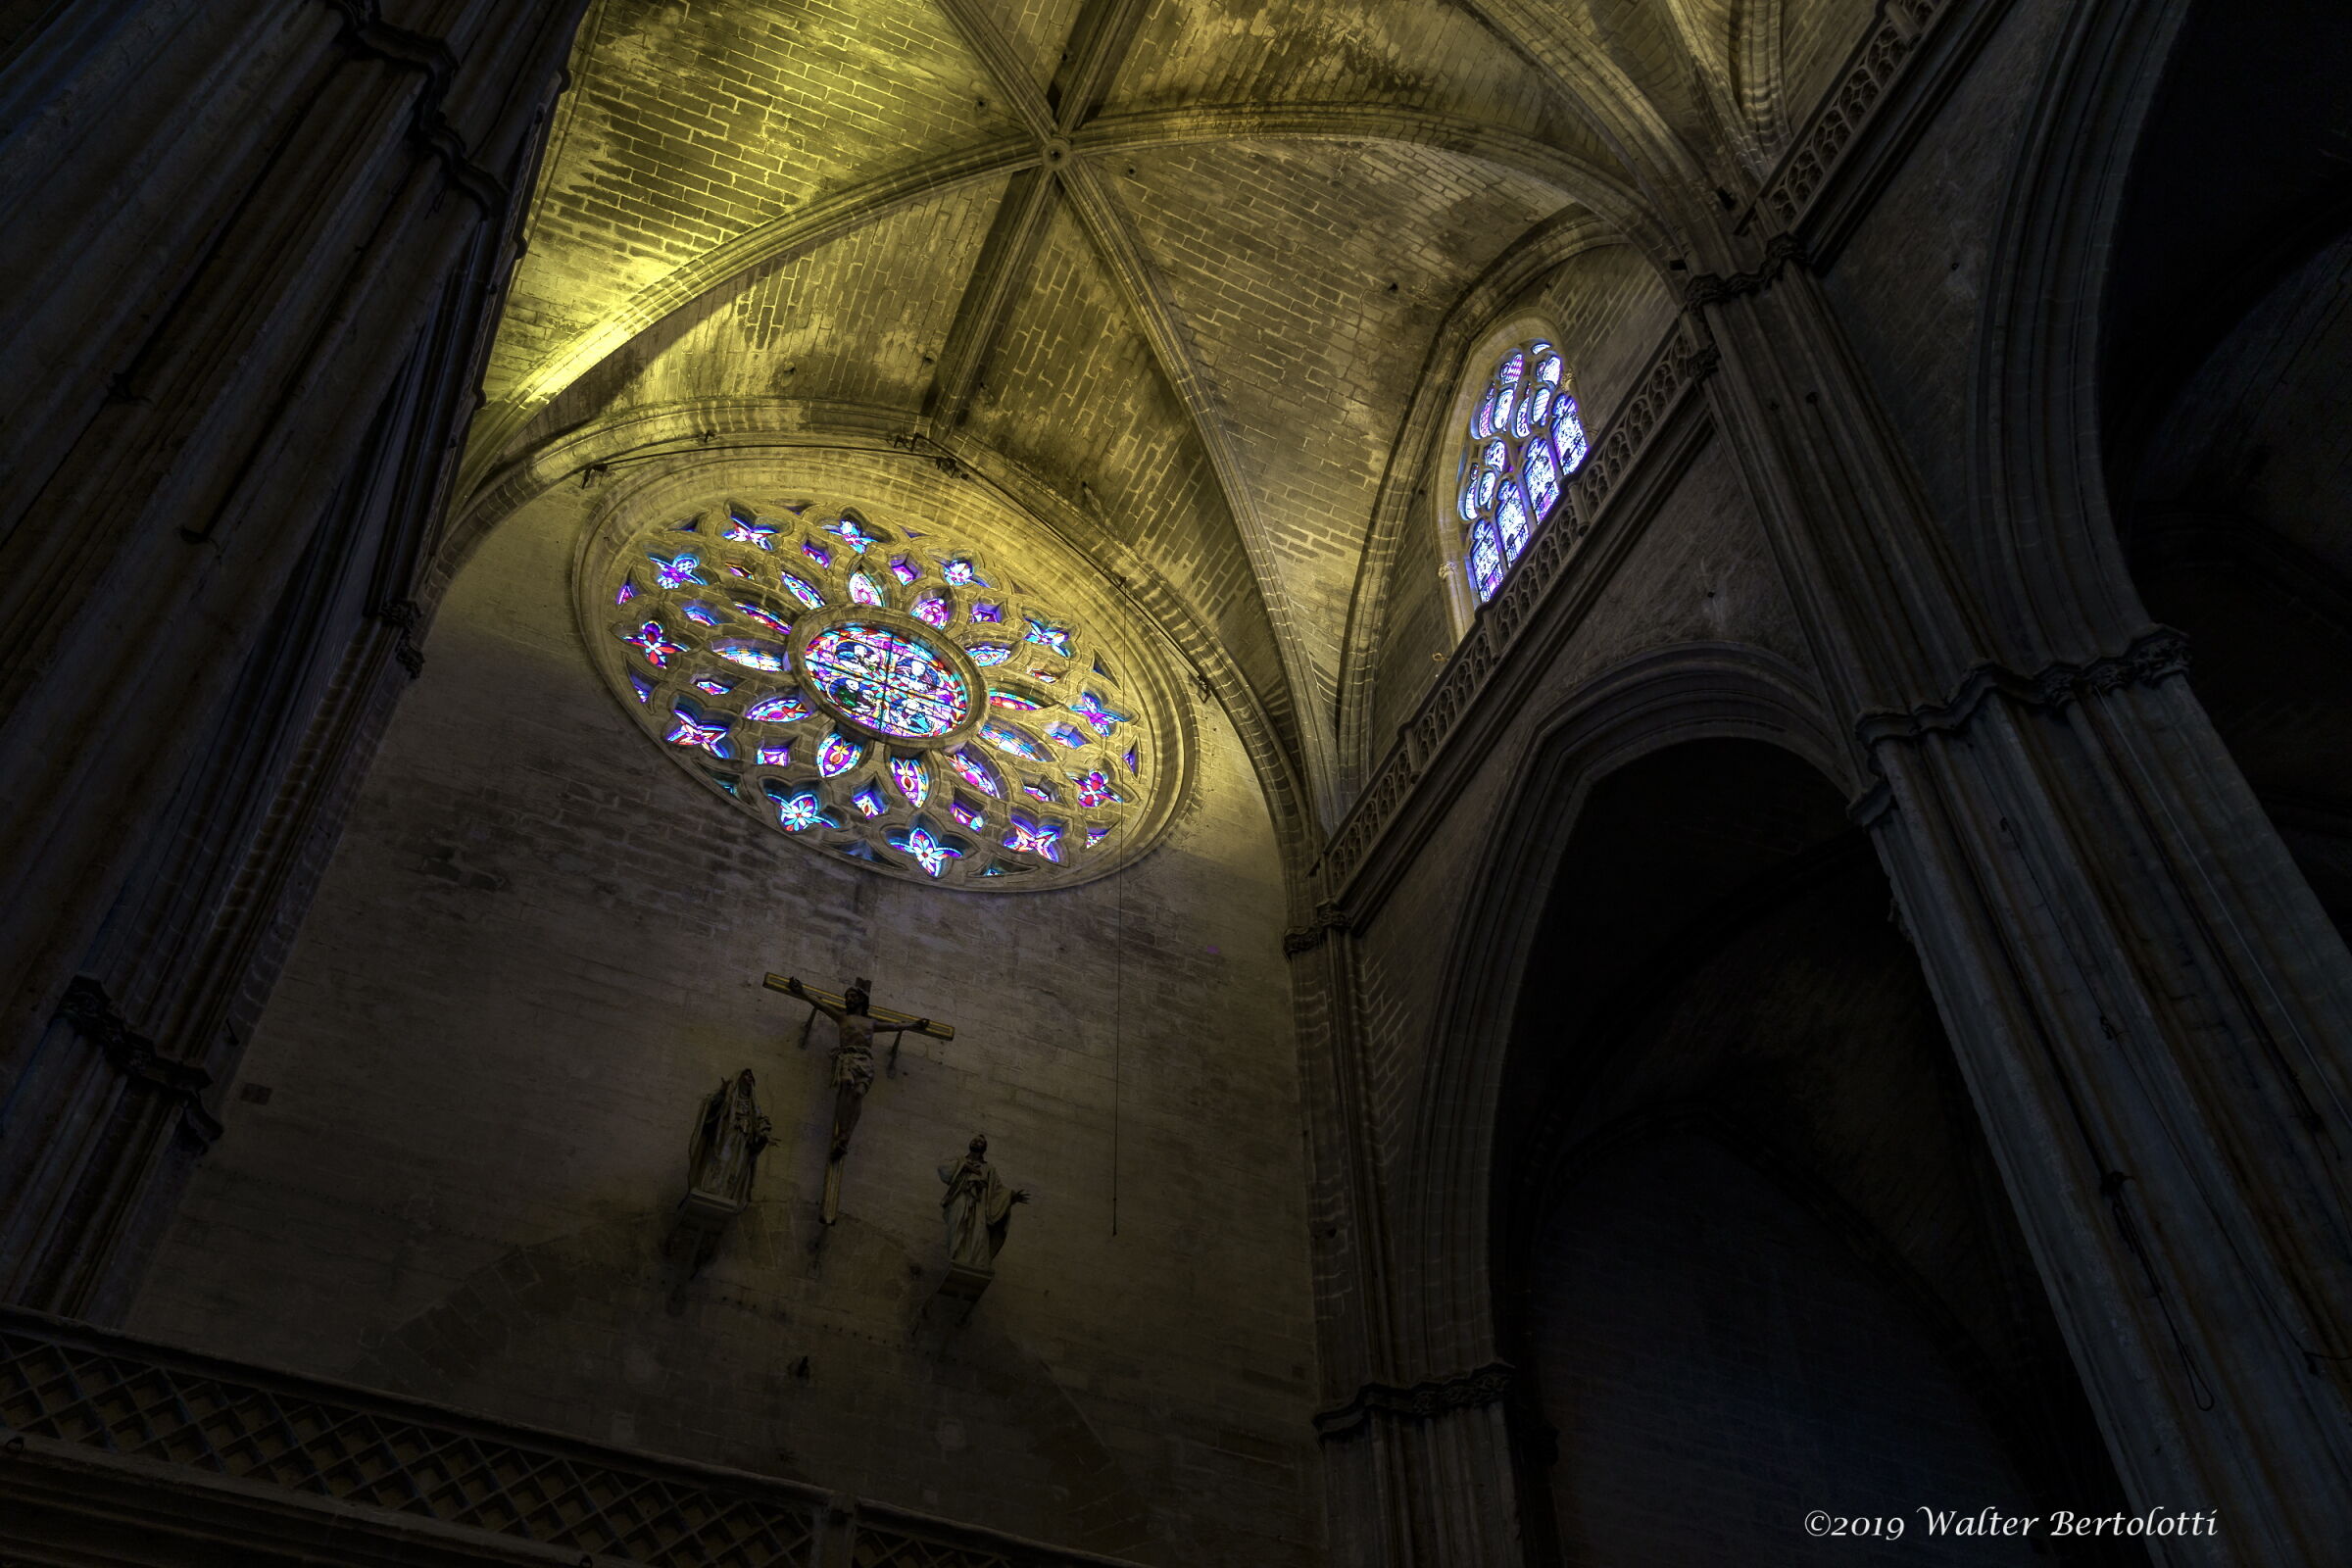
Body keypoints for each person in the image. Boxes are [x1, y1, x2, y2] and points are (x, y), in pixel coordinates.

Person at [785, 976, 928, 1159]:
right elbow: (821, 1006)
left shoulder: (871, 1023)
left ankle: (845, 1136)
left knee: (859, 1093)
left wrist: (915, 1024)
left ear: (861, 1000)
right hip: (847, 1057)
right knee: (846, 1083)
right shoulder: (842, 1017)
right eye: (847, 996)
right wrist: (802, 992)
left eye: (852, 996)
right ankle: (842, 1131)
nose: (848, 1000)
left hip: (865, 1061)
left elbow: (894, 1026)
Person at [938, 1133, 1029, 1270]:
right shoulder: (959, 1160)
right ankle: (956, 1258)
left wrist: (1012, 1196)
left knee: (979, 1234)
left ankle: (972, 1263)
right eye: (974, 1140)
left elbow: (997, 1189)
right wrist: (966, 1166)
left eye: (980, 1142)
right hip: (961, 1199)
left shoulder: (989, 1168)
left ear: (984, 1148)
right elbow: (943, 1169)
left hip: (980, 1205)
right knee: (957, 1227)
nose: (976, 1142)